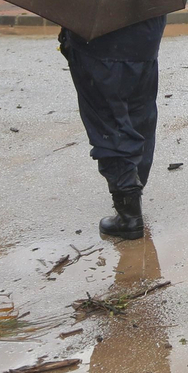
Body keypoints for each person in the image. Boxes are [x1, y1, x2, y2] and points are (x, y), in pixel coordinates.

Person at [59, 14, 167, 240]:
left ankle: (129, 214)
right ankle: (134, 188)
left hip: (99, 42)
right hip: (145, 39)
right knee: (141, 115)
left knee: (108, 121)